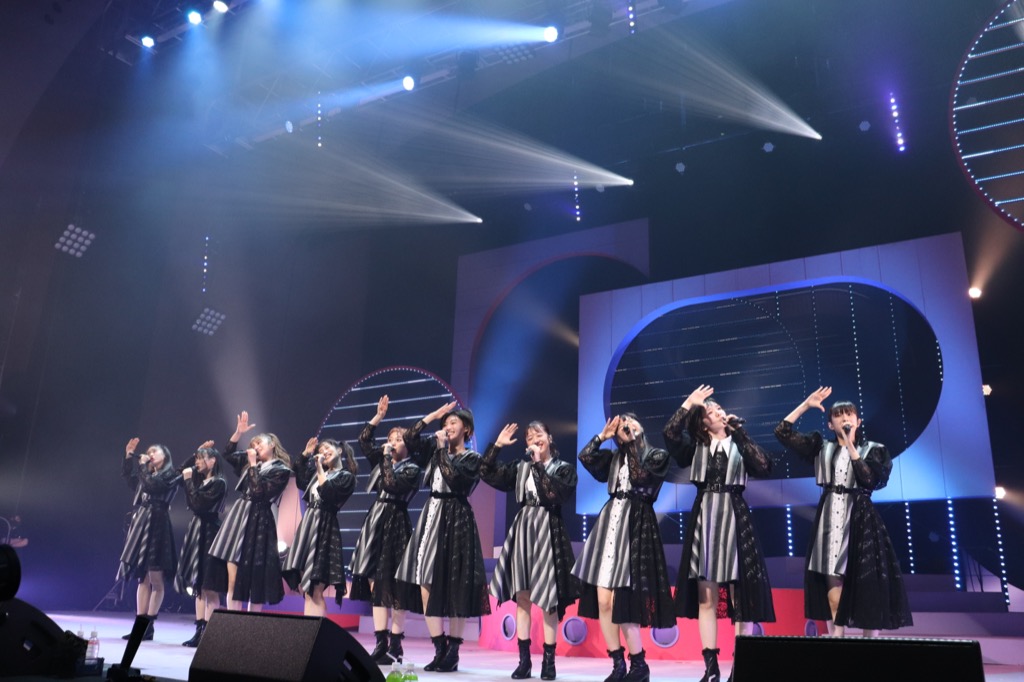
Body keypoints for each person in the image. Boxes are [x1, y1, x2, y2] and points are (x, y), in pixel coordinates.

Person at [774, 386, 912, 636]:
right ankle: (838, 643)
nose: (845, 418)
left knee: (867, 588)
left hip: (861, 518)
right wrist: (805, 405)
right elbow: (782, 432)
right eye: (838, 415)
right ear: (830, 424)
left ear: (858, 421)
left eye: (849, 414)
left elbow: (869, 481)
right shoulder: (820, 446)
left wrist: (850, 445)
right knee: (833, 590)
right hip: (829, 517)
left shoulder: (874, 449)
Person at [663, 386, 776, 682]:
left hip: (736, 516)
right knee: (706, 596)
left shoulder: (739, 443)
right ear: (702, 424)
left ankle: (742, 665)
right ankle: (711, 667)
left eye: (718, 408)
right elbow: (670, 435)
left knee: (742, 597)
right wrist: (689, 403)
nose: (718, 412)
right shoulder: (695, 448)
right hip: (705, 518)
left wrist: (740, 433)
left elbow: (764, 466)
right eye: (710, 411)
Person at [571, 414, 675, 682]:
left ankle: (639, 664)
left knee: (623, 601)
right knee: (603, 600)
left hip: (637, 525)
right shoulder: (614, 458)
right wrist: (602, 437)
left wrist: (632, 442)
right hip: (610, 522)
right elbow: (586, 457)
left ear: (641, 426)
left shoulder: (657, 456)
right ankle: (617, 663)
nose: (626, 426)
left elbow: (641, 479)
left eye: (630, 422)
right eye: (621, 425)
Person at [481, 421, 580, 681]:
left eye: (539, 434)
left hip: (549, 530)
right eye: (529, 437)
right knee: (522, 596)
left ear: (550, 437)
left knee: (548, 599)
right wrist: (497, 446)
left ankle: (549, 661)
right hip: (524, 530)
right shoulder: (520, 468)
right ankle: (524, 661)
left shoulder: (564, 469)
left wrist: (537, 464)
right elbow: (487, 473)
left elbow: (553, 495)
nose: (534, 439)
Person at [395, 404, 490, 673]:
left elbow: (455, 479)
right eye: (445, 424)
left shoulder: (472, 458)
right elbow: (410, 437)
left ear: (466, 430)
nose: (447, 427)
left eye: (453, 423)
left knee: (457, 583)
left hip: (457, 517)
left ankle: (454, 651)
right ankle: (439, 647)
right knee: (424, 579)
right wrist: (433, 417)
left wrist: (440, 451)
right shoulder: (435, 450)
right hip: (432, 515)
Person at [349, 395, 424, 664]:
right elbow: (363, 440)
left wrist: (385, 459)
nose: (392, 443)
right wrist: (378, 418)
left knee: (396, 586)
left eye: (398, 439)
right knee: (375, 582)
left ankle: (396, 643)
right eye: (390, 439)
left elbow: (392, 485)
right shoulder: (384, 461)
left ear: (408, 445)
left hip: (397, 522)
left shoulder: (413, 468)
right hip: (376, 521)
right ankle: (380, 643)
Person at [207, 411, 292, 610]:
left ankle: (251, 623)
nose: (255, 447)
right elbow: (227, 454)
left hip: (260, 520)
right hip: (239, 517)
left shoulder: (281, 470)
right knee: (233, 578)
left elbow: (258, 492)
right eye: (253, 445)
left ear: (272, 445)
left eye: (259, 444)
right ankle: (232, 622)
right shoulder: (250, 464)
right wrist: (238, 433)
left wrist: (253, 465)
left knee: (256, 579)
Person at [282, 436, 358, 616]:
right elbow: (299, 478)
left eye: (327, 448)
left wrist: (319, 468)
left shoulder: (346, 477)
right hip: (308, 525)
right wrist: (306, 454)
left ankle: (316, 630)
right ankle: (310, 628)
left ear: (339, 450)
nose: (323, 452)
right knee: (307, 588)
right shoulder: (318, 473)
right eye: (320, 450)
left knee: (315, 587)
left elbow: (328, 492)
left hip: (325, 527)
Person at [118, 438, 182, 642]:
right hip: (142, 524)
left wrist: (143, 467)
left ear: (165, 456)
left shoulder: (171, 475)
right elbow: (129, 479)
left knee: (155, 577)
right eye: (149, 452)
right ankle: (139, 624)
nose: (151, 454)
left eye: (155, 451)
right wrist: (128, 456)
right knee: (142, 577)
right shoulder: (147, 474)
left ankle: (149, 625)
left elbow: (153, 487)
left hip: (158, 524)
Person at [174, 441, 228, 647]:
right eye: (196, 459)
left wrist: (189, 481)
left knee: (210, 585)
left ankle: (210, 634)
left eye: (200, 459)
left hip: (210, 532)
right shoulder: (200, 479)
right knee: (198, 586)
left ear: (213, 461)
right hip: (197, 530)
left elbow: (198, 504)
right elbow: (178, 474)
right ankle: (199, 630)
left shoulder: (219, 482)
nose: (196, 463)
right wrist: (194, 453)